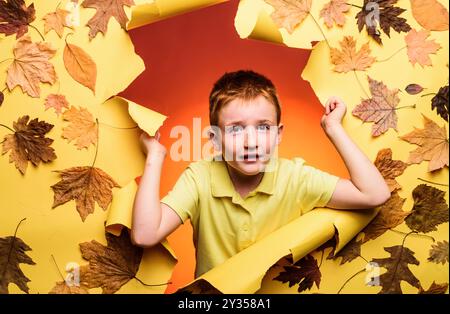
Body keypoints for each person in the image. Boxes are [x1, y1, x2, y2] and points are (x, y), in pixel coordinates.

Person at [131, 70, 390, 278]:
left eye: (263, 127)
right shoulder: (200, 178)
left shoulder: (295, 178)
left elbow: (374, 194)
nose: (250, 141)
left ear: (278, 134)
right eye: (235, 130)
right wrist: (155, 157)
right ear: (215, 139)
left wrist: (333, 128)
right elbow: (145, 234)